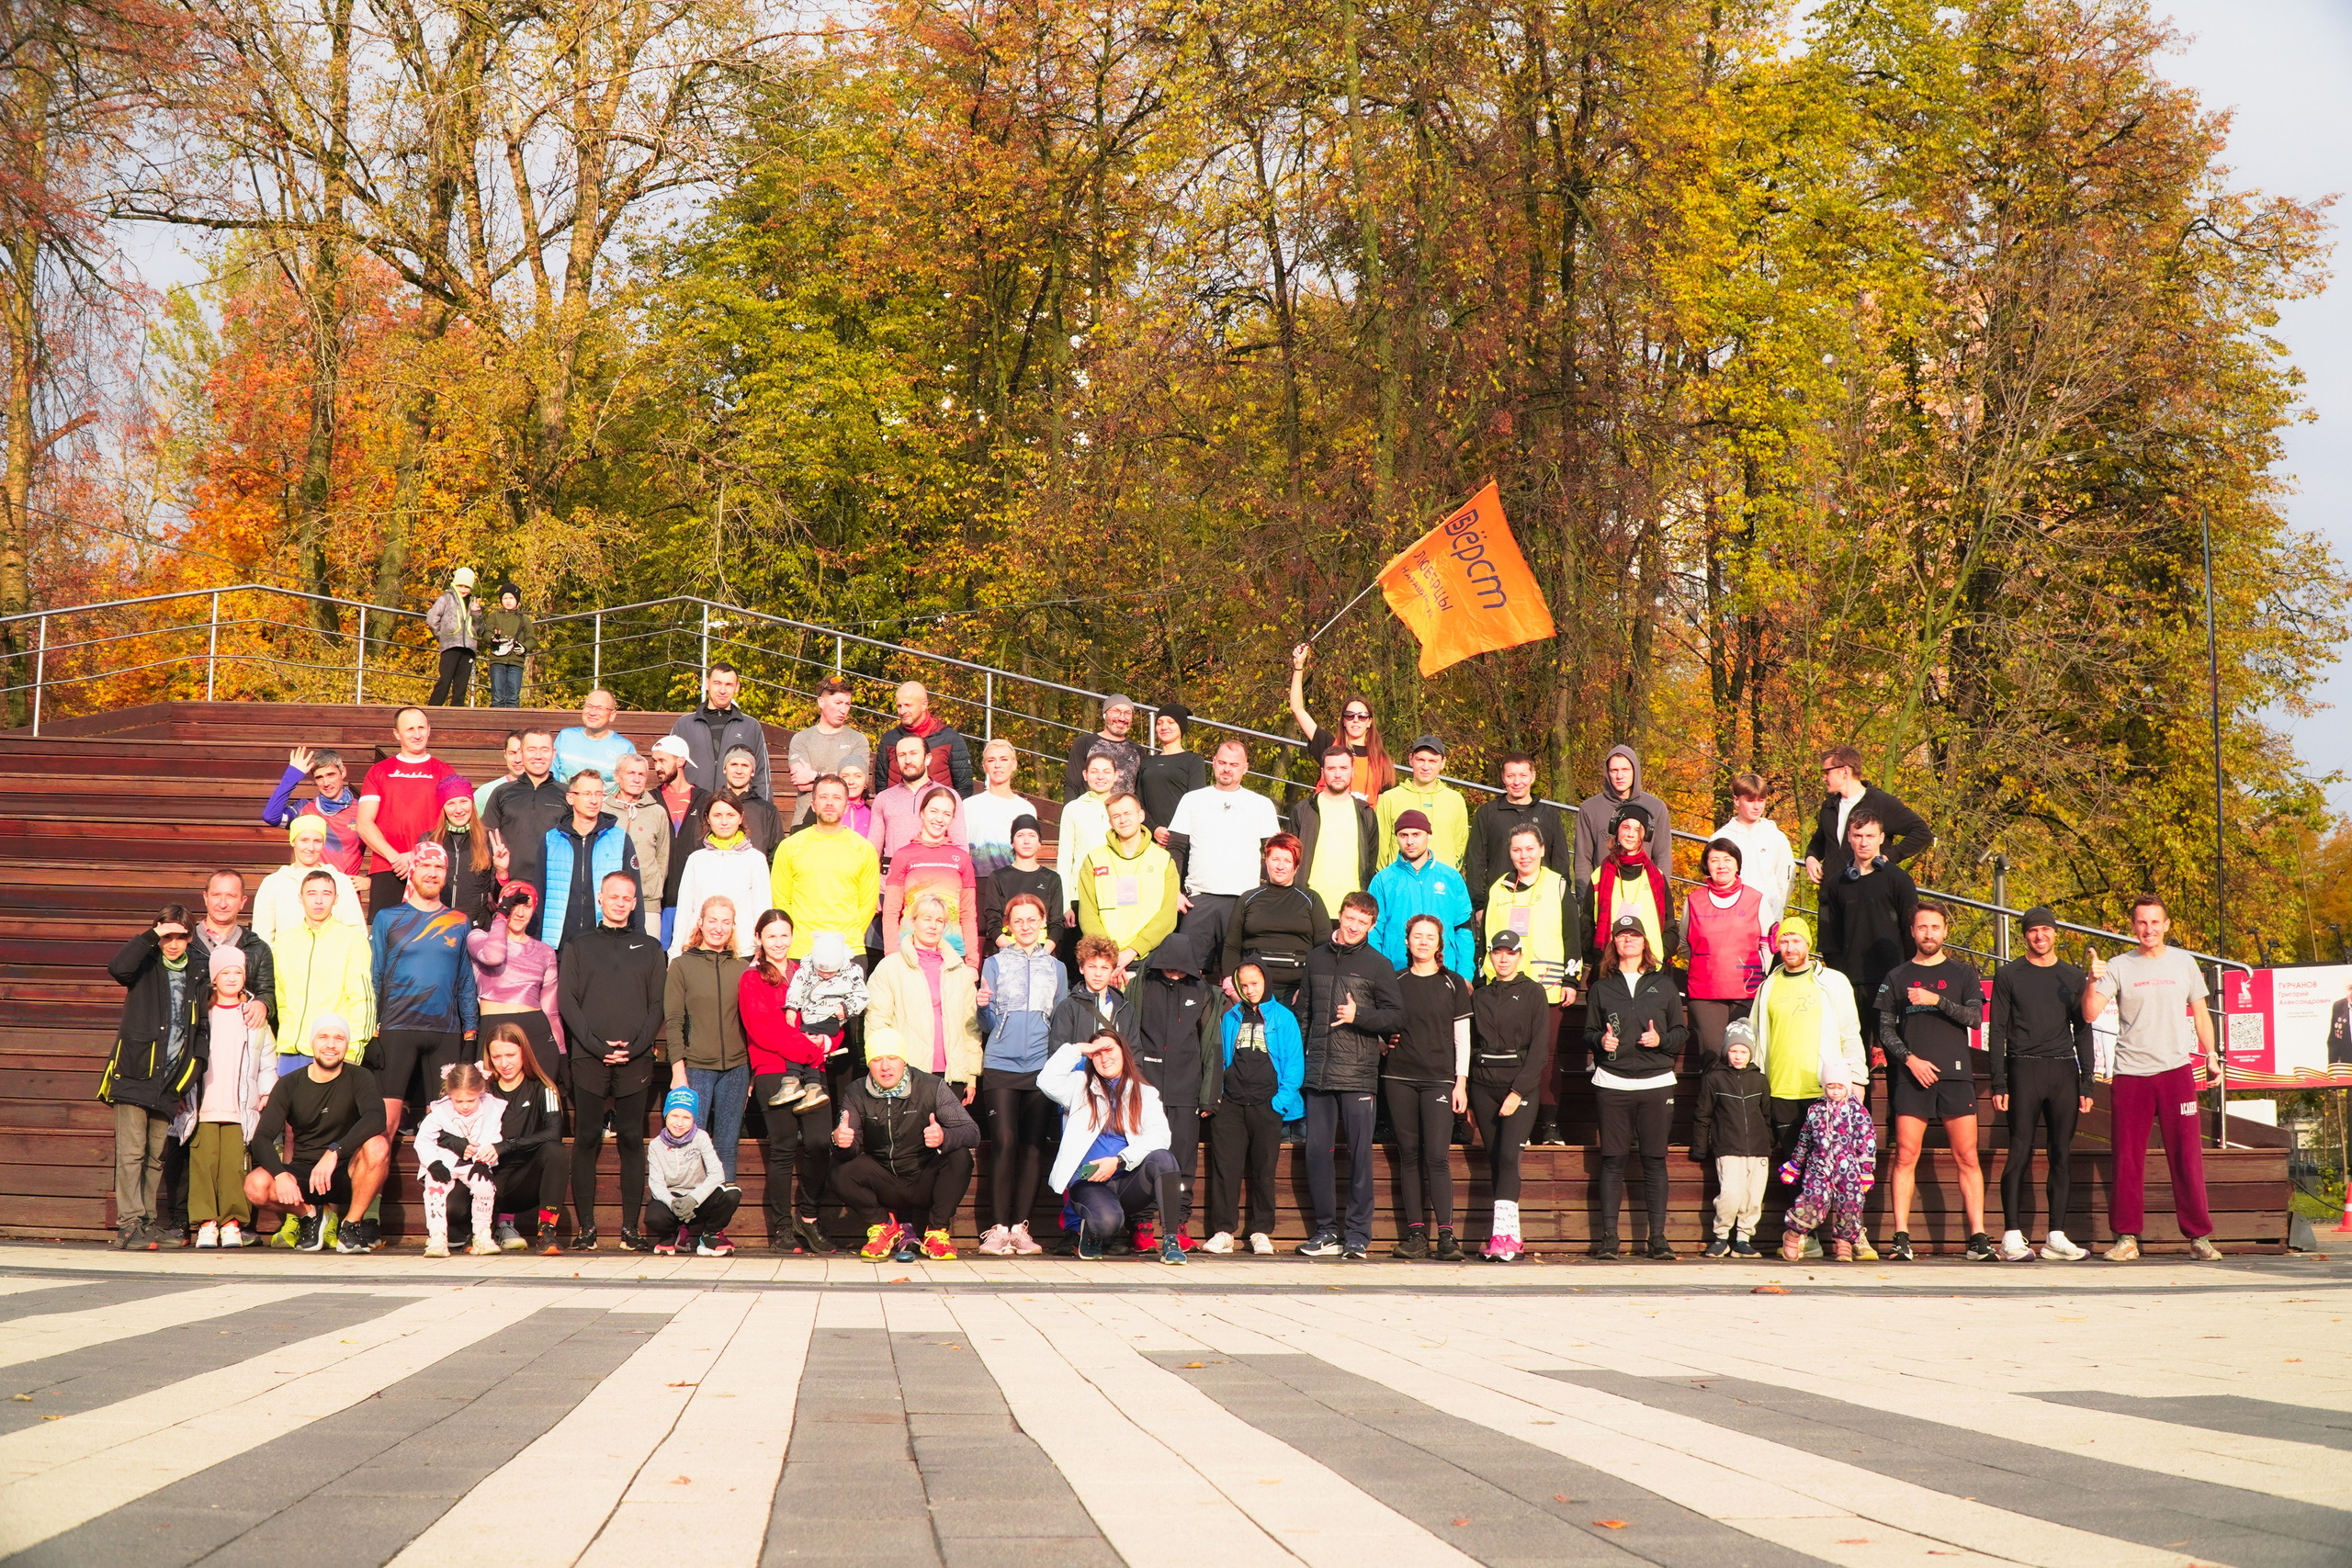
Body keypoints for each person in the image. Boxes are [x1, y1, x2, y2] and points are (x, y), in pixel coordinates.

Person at [2083, 895, 2224, 1262]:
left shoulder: (2185, 963)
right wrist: (2090, 980)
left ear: (2166, 925)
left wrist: (2211, 1054)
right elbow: (2089, 1013)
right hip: (2131, 1074)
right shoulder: (2117, 966)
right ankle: (2127, 1238)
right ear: (2133, 927)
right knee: (2128, 1158)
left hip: (2177, 1072)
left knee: (2187, 1156)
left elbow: (2200, 1012)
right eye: (2142, 923)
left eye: (2155, 922)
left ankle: (2198, 1238)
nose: (2149, 929)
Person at [1748, 915, 1870, 1258]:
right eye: (1783, 942)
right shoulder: (1768, 985)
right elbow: (1757, 1036)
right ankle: (1808, 1237)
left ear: (1807, 945)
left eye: (1796, 941)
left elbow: (1850, 1031)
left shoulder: (1832, 981)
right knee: (1794, 1166)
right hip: (1781, 1088)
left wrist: (1856, 1077)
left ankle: (1850, 1235)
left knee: (1839, 1165)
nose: (1789, 948)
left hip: (1826, 1091)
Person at [558, 873, 666, 1250]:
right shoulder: (579, 944)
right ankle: (586, 1228)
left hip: (635, 1060)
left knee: (632, 1139)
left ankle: (629, 1229)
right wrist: (595, 1045)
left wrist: (636, 1046)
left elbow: (658, 1004)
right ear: (600, 899)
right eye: (614, 896)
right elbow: (567, 1002)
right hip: (589, 1057)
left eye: (628, 898)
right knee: (587, 1137)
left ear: (635, 903)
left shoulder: (651, 947)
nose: (620, 903)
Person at [1876, 902, 1990, 1261]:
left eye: (1935, 927)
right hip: (1912, 1077)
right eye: (1922, 927)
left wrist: (1936, 1000)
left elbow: (1974, 1018)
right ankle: (1901, 1238)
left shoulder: (1962, 973)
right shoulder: (1896, 976)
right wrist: (1910, 1060)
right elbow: (1884, 1029)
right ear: (1912, 932)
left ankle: (1978, 1238)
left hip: (1955, 1076)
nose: (1929, 934)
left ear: (1945, 931)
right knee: (1906, 1155)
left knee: (1967, 1156)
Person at [1295, 891, 1404, 1259]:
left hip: (1358, 1074)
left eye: (1362, 921)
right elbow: (1304, 1015)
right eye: (1350, 917)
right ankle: (1326, 1232)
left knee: (1360, 1156)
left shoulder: (1379, 964)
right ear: (1340, 916)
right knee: (1316, 1153)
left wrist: (1361, 1016)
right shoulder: (1315, 958)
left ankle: (1357, 1235)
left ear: (1372, 926)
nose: (1354, 925)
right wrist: (1302, 1064)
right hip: (1318, 1074)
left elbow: (1395, 1017)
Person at [368, 841, 480, 1190]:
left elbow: (465, 982)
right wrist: (372, 1031)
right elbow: (374, 975)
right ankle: (369, 1217)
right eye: (425, 866)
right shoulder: (388, 917)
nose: (432, 873)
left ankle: (448, 1217)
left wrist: (470, 1035)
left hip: (444, 1033)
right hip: (397, 1029)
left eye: (439, 868)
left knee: (446, 1126)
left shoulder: (460, 921)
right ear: (412, 871)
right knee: (384, 1125)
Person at [1989, 906, 2095, 1261]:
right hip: (2023, 1069)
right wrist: (1999, 1082)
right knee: (2019, 1151)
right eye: (2033, 931)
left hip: (2063, 1071)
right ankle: (2012, 1235)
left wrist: (2087, 1082)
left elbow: (2083, 1029)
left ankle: (2056, 1236)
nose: (2040, 936)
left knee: (2061, 1154)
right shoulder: (2009, 975)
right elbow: (1997, 1031)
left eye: (2046, 930)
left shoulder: (2072, 976)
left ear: (2055, 934)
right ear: (2025, 936)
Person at [101, 909, 208, 1249]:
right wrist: (150, 935)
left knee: (154, 1156)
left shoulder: (198, 970)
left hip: (169, 1081)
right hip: (135, 1072)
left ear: (191, 937)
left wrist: (190, 1072)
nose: (173, 944)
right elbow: (118, 968)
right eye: (166, 936)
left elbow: (200, 1027)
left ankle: (146, 1221)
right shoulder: (145, 962)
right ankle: (129, 1224)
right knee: (131, 1152)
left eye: (180, 936)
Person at [1585, 913, 1689, 1260]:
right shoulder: (1601, 987)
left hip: (1656, 1082)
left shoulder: (1664, 984)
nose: (1627, 941)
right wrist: (1601, 1041)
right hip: (1612, 1085)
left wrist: (1660, 1040)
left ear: (1645, 943)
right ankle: (1609, 1239)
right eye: (1621, 936)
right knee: (1613, 1161)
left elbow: (1680, 1032)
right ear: (1613, 943)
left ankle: (1657, 1239)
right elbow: (1587, 1032)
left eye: (1634, 936)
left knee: (1654, 1161)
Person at [243, 1014, 390, 1252]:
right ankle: (310, 1216)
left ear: (347, 1044)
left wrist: (335, 1151)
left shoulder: (360, 1077)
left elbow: (377, 1117)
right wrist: (280, 1175)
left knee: (378, 1145)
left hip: (347, 1171)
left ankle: (350, 1225)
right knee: (255, 1185)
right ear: (312, 1043)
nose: (331, 1045)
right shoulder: (290, 1084)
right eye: (323, 1037)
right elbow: (261, 1138)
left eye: (339, 1038)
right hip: (305, 1172)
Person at [1041, 1029, 1186, 1264]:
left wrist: (1120, 1160)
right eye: (1096, 1054)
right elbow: (1045, 1081)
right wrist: (1077, 1049)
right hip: (1089, 1183)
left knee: (1163, 1158)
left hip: (1127, 1180)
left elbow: (1160, 1135)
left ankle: (1171, 1240)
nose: (1104, 1057)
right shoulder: (1079, 1085)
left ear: (1123, 1052)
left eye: (1109, 1050)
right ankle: (1091, 1232)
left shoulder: (1145, 1093)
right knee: (1108, 1223)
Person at [741, 911, 840, 1254]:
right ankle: (783, 1227)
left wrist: (828, 1042)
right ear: (759, 939)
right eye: (772, 936)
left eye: (785, 935)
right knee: (783, 1148)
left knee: (818, 1143)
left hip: (813, 1067)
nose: (779, 943)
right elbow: (762, 1028)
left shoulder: (809, 972)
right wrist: (808, 1047)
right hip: (772, 1067)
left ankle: (808, 1219)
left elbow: (833, 1012)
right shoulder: (752, 978)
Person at [976, 893, 1068, 1256]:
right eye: (1019, 921)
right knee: (1004, 1142)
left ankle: (1020, 1229)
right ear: (1008, 926)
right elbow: (986, 1021)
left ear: (1042, 923)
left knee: (1032, 1148)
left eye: (1032, 920)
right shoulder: (994, 963)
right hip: (1000, 1063)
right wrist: (981, 1008)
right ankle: (997, 1230)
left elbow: (1060, 1021)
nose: (1026, 927)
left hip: (1041, 1068)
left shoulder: (1056, 967)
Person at [829, 1042, 981, 1260]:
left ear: (904, 1061)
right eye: (877, 1060)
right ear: (869, 1065)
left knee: (960, 1156)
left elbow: (972, 1132)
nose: (885, 1067)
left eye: (892, 1058)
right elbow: (849, 1149)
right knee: (838, 1169)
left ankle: (937, 1233)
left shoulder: (931, 1086)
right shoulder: (856, 1091)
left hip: (924, 1178)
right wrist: (839, 1141)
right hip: (884, 1181)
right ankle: (885, 1226)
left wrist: (943, 1137)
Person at [1481, 822, 1580, 1146]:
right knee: (1510, 1054)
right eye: (1516, 849)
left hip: (1547, 986)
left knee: (1547, 1057)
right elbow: (1487, 940)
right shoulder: (1497, 888)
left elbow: (1571, 935)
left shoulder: (1558, 885)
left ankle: (1549, 1126)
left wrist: (1571, 978)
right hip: (1504, 987)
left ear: (1541, 850)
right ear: (1509, 853)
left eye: (1529, 848)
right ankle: (1515, 1125)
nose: (1523, 855)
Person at [1198, 959, 1303, 1255]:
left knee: (1264, 1170)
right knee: (1225, 1170)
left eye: (1255, 983)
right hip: (1231, 1104)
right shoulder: (1230, 1016)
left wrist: (1279, 1103)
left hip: (1267, 1104)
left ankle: (1260, 1231)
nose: (1249, 990)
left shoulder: (1284, 1017)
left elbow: (1295, 1065)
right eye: (1243, 985)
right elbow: (1218, 1060)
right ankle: (1223, 1231)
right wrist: (1215, 1097)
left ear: (1266, 982)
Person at [1818, 811, 1918, 1117]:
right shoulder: (1836, 884)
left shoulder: (1898, 879)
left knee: (1895, 1051)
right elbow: (1829, 936)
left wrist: (1908, 975)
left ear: (1882, 839)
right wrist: (1837, 979)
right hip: (1848, 984)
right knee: (1852, 1053)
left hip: (1891, 982)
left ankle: (1897, 1122)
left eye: (1870, 836)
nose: (1863, 842)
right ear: (1849, 837)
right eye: (1858, 835)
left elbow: (1909, 930)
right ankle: (1854, 1120)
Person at [1385, 914, 1472, 1261]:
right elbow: (1383, 1025)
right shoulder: (1396, 981)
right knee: (1408, 1156)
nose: (1423, 941)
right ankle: (1416, 1233)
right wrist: (1381, 1041)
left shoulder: (1453, 984)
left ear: (1440, 943)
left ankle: (1446, 1237)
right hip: (1399, 1078)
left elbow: (1462, 1038)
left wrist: (1460, 1082)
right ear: (1407, 941)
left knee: (1437, 1157)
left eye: (1430, 936)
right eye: (1417, 935)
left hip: (1439, 1078)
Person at [179, 942, 276, 1249]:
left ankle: (233, 1222)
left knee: (235, 1165)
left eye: (238, 972)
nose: (232, 978)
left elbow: (267, 1057)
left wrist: (266, 1089)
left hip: (239, 1106)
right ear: (214, 978)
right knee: (204, 1161)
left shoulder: (254, 1017)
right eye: (225, 972)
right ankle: (206, 1222)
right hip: (205, 1104)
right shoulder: (201, 1013)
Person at [664, 897, 753, 1224]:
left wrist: (752, 1073)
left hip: (737, 1069)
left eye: (725, 922)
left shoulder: (743, 968)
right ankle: (687, 1221)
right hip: (697, 1068)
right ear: (700, 922)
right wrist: (678, 1070)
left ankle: (715, 1227)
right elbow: (673, 1021)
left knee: (727, 1145)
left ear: (732, 927)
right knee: (691, 1145)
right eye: (712, 920)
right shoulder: (683, 965)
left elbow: (751, 1023)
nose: (718, 927)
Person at [1467, 932, 1550, 1262]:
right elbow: (1472, 1046)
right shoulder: (1480, 995)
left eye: (1510, 953)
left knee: (1507, 1157)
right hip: (1483, 1085)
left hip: (1520, 1086)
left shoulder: (1533, 993)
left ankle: (1500, 1235)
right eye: (1498, 953)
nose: (1503, 959)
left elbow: (1540, 1049)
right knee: (1495, 1161)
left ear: (1519, 956)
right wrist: (1472, 1099)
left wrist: (1518, 1092)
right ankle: (1511, 1237)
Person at [1129, 932, 1216, 1244]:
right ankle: (1141, 1226)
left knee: (1183, 1162)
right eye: (1169, 968)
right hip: (1146, 1087)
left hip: (1185, 1088)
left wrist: (1208, 1093)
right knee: (1143, 1156)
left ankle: (1178, 1225)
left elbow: (1210, 1044)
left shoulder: (1202, 991)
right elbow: (1130, 1036)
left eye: (1181, 969)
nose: (1175, 974)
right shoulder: (1141, 985)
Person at [1164, 738, 1281, 956]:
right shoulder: (1192, 800)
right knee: (1191, 971)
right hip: (1198, 899)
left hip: (1245, 901)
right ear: (1214, 762)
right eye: (1223, 763)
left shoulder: (1261, 804)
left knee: (1237, 972)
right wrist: (1174, 891)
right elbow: (1176, 849)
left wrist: (1270, 896)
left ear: (1245, 768)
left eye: (1234, 765)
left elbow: (1274, 855)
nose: (1227, 769)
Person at [866, 892, 985, 1102]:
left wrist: (972, 1075)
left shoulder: (960, 970)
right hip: (907, 1075)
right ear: (912, 922)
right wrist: (883, 1069)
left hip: (953, 1076)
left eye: (939, 921)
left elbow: (970, 1027)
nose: (933, 926)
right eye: (927, 919)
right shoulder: (890, 967)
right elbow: (877, 1023)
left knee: (948, 1135)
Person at [274, 870, 377, 1075]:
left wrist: (353, 1050)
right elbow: (281, 998)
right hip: (289, 1052)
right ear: (300, 898)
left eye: (326, 893)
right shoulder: (285, 942)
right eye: (311, 893)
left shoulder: (352, 940)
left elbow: (362, 1000)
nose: (318, 901)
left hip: (332, 1052)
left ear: (336, 899)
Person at [1776, 1051, 1877, 1261]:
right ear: (1824, 1086)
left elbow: (1867, 1142)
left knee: (1850, 1204)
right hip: (1819, 1167)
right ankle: (1793, 1235)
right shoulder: (1816, 1110)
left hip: (1848, 1168)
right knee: (1812, 1202)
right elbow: (1805, 1139)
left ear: (1847, 1086)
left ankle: (1844, 1244)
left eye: (1840, 1086)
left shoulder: (1857, 1112)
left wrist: (1866, 1171)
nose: (1835, 1091)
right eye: (1830, 1086)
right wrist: (1795, 1164)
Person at [355, 707, 456, 914]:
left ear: (429, 730)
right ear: (396, 734)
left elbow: (454, 822)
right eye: (410, 729)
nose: (417, 734)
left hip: (430, 867)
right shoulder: (379, 771)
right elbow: (364, 823)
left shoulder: (445, 772)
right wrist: (395, 857)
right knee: (386, 937)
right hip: (389, 867)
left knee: (429, 936)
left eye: (421, 728)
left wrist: (416, 855)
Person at [770, 773, 883, 959]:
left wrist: (847, 937)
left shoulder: (864, 849)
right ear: (813, 805)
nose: (829, 803)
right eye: (823, 797)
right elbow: (781, 900)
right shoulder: (790, 846)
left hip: (848, 950)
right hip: (802, 950)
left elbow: (867, 904)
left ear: (846, 806)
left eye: (837, 798)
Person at [1072, 792, 1182, 974]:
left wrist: (1133, 950)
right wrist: (1110, 955)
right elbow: (1088, 914)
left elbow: (1167, 915)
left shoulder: (1163, 859)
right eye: (1116, 816)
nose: (1122, 820)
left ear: (1141, 816)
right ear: (1110, 823)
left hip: (1150, 957)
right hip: (1106, 961)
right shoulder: (1094, 859)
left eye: (1127, 813)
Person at [1218, 833, 1328, 1013]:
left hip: (1295, 991)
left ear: (1297, 865)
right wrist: (1235, 990)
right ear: (1266, 861)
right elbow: (1232, 945)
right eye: (1275, 859)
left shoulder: (1311, 899)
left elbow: (1323, 948)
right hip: (1251, 991)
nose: (1280, 866)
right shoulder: (1248, 898)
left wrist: (1307, 989)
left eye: (1287, 860)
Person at [1691, 1020, 1772, 1258]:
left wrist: (1768, 1141)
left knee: (1753, 1197)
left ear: (1750, 1053)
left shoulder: (1759, 1080)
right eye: (1734, 1051)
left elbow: (1766, 1113)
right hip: (1728, 1146)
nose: (1738, 1056)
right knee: (1730, 1195)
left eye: (1743, 1051)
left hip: (1758, 1149)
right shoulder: (1714, 1078)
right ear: (1726, 1051)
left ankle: (1743, 1239)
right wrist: (1699, 1146)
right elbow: (1702, 1114)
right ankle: (1721, 1237)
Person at [1682, 837, 1768, 1061]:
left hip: (1748, 993)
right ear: (1706, 866)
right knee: (1713, 1056)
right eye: (1715, 860)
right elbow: (1684, 944)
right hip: (1705, 994)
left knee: (1746, 1058)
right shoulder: (1693, 901)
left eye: (1727, 859)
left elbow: (1768, 945)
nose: (1721, 865)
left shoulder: (1756, 899)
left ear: (1737, 864)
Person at [469, 883, 565, 1081]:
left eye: (527, 906)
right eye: (514, 904)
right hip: (495, 1030)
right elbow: (494, 957)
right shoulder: (478, 937)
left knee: (539, 1105)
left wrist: (562, 1053)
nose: (520, 913)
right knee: (493, 1104)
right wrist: (501, 916)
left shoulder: (544, 951)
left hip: (536, 1032)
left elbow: (551, 1010)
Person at [481, 1021, 563, 1250]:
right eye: (497, 1056)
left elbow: (554, 1132)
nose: (504, 1063)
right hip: (484, 1179)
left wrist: (508, 1145)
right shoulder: (483, 1090)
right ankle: (476, 1230)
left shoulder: (544, 1088)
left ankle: (546, 1233)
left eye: (510, 1055)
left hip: (522, 1183)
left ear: (524, 1052)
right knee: (454, 1209)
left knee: (555, 1151)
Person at [540, 769, 643, 951]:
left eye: (598, 794)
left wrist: (637, 940)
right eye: (587, 794)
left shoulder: (620, 839)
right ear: (570, 798)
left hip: (606, 944)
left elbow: (634, 894)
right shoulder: (551, 839)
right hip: (559, 944)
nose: (594, 800)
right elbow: (540, 893)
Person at [1367, 809, 1476, 978]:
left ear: (1428, 836)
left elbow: (1463, 930)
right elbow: (1373, 931)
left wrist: (1465, 975)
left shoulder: (1451, 877)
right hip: (1396, 972)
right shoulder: (1383, 880)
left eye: (1416, 834)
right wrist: (1378, 974)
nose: (1410, 841)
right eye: (1403, 835)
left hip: (1445, 972)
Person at [1463, 753, 1572, 921]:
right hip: (1499, 902)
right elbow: (1475, 861)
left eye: (1523, 775)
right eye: (1511, 776)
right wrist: (1479, 905)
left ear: (1533, 776)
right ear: (1503, 777)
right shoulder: (1487, 813)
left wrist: (1561, 899)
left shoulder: (1548, 814)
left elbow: (1560, 860)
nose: (1517, 782)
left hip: (1542, 902)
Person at [1804, 745, 1933, 886]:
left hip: (1866, 895)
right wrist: (1811, 857)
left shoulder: (1881, 802)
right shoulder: (1828, 807)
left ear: (1844, 771)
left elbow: (1922, 832)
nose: (1823, 778)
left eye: (1826, 772)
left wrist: (1888, 857)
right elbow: (1820, 841)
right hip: (1830, 896)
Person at [413, 1061, 504, 1258]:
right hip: (443, 1161)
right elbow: (423, 1140)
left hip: (474, 1162)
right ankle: (437, 1237)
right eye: (458, 1101)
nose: (464, 1106)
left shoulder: (490, 1111)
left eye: (470, 1100)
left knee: (485, 1187)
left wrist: (484, 1162)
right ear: (450, 1095)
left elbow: (493, 1137)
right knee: (435, 1191)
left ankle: (482, 1235)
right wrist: (433, 1163)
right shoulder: (440, 1112)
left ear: (480, 1092)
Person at [881, 784, 981, 957]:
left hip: (952, 955)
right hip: (910, 954)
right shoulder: (903, 855)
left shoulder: (962, 858)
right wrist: (891, 955)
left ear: (952, 819)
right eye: (934, 811)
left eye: (946, 814)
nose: (939, 819)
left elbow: (968, 915)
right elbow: (891, 912)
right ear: (922, 813)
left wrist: (972, 962)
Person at [1287, 645, 1394, 803]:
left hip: (1362, 824)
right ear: (1343, 721)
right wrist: (1298, 666)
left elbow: (1385, 806)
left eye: (1362, 716)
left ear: (1370, 722)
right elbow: (1297, 708)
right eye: (1350, 716)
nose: (1356, 720)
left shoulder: (1382, 761)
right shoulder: (1329, 746)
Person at [668, 794, 768, 958]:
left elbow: (762, 908)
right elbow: (685, 909)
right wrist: (675, 953)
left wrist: (761, 950)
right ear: (707, 818)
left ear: (741, 817)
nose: (724, 822)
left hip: (742, 951)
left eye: (730, 815)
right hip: (700, 950)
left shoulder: (755, 859)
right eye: (717, 815)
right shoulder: (696, 859)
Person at [647, 1087, 743, 1257]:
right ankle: (671, 1234)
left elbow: (717, 1174)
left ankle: (710, 1236)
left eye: (686, 1117)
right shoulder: (655, 1145)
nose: (679, 1123)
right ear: (665, 1115)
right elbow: (656, 1183)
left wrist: (693, 1199)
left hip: (699, 1199)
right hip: (674, 1200)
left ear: (693, 1119)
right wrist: (672, 1203)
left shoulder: (701, 1137)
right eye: (674, 1116)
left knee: (732, 1193)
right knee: (654, 1216)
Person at [484, 728, 566, 926]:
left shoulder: (567, 794)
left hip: (554, 892)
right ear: (521, 753)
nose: (538, 756)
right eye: (532, 749)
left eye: (544, 750)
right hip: (509, 888)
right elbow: (485, 843)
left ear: (554, 753)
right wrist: (488, 889)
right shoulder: (502, 793)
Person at [1293, 745, 1379, 922]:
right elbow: (1291, 858)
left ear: (1353, 771)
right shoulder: (1304, 810)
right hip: (1309, 907)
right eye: (1331, 768)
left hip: (1353, 911)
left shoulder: (1366, 813)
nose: (1338, 774)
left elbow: (1371, 862)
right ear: (1323, 772)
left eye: (1343, 768)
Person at [254, 818, 364, 950]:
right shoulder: (273, 883)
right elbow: (263, 935)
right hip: (286, 966)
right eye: (304, 840)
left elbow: (356, 931)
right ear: (293, 841)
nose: (311, 848)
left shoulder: (340, 881)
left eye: (317, 841)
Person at [1574, 745, 1673, 891]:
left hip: (1644, 893)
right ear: (1607, 773)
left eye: (1625, 770)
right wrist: (1585, 901)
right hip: (1603, 893)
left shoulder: (1656, 808)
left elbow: (1663, 856)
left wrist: (1660, 895)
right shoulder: (1590, 808)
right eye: (1614, 770)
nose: (1619, 776)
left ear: (1635, 771)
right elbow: (1583, 859)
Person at [1589, 803, 1674, 968]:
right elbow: (1587, 925)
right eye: (1626, 827)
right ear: (1616, 829)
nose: (1630, 834)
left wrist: (1659, 954)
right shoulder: (1599, 876)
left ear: (1645, 835)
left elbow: (1670, 926)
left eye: (1637, 829)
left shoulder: (1657, 877)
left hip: (1651, 968)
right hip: (1611, 968)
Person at [869, 732, 971, 869]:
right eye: (902, 755)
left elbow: (960, 848)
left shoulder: (949, 796)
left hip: (934, 880)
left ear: (927, 758)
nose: (908, 760)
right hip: (890, 882)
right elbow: (873, 851)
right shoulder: (883, 798)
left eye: (913, 753)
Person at [1709, 773, 1795, 933]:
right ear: (1736, 800)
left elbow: (1785, 880)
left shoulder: (1776, 837)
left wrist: (1775, 913)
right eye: (1750, 800)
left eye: (1761, 800)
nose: (1757, 807)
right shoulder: (1721, 838)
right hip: (1730, 922)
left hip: (1768, 923)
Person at [669, 662, 772, 797]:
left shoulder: (750, 726)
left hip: (736, 810)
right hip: (691, 807)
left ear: (737, 687)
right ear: (707, 684)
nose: (722, 690)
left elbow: (761, 774)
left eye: (729, 685)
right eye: (717, 683)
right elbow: (669, 767)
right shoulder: (684, 724)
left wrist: (762, 811)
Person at [261, 745, 366, 874]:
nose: (326, 783)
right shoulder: (303, 809)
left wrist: (370, 881)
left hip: (345, 892)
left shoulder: (363, 809)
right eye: (319, 777)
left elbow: (387, 846)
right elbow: (271, 816)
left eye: (331, 775)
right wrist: (293, 775)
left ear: (343, 772)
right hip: (309, 891)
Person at [1376, 736, 1470, 870]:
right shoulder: (1390, 798)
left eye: (1433, 761)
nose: (1426, 767)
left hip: (1441, 883)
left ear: (1443, 762)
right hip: (1400, 882)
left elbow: (1460, 844)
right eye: (1420, 760)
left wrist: (1449, 874)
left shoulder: (1455, 800)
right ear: (1410, 759)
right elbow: (1381, 846)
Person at [786, 677, 871, 826]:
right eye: (838, 703)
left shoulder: (858, 740)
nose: (843, 709)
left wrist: (815, 775)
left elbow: (855, 783)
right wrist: (841, 778)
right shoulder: (801, 739)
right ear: (821, 702)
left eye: (847, 704)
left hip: (845, 823)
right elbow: (801, 783)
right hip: (805, 821)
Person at [979, 813, 1066, 952]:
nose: (1026, 841)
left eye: (1032, 835)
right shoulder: (998, 878)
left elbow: (1056, 924)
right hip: (1008, 953)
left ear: (1039, 842)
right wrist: (1013, 952)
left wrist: (1042, 955)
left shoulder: (1052, 878)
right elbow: (993, 922)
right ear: (1012, 842)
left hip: (1043, 953)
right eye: (1020, 835)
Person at [609, 752, 672, 940]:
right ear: (616, 776)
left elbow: (662, 857)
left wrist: (653, 889)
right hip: (608, 901)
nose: (636, 779)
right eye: (630, 773)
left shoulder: (657, 812)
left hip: (647, 903)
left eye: (642, 774)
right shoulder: (603, 809)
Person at [876, 680, 975, 796]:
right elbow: (880, 786)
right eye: (899, 706)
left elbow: (964, 788)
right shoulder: (889, 739)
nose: (902, 711)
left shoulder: (950, 738)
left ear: (924, 704)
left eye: (908, 705)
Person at [1050, 934, 1139, 1052]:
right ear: (1081, 968)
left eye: (1104, 968)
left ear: (1113, 970)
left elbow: (1134, 1054)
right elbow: (1057, 1053)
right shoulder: (1067, 1008)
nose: (1098, 973)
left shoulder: (1125, 1008)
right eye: (1092, 967)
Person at [425, 776, 494, 927]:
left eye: (464, 801)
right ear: (443, 808)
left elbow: (496, 896)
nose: (458, 810)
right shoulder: (428, 840)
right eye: (450, 803)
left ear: (472, 803)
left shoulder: (490, 839)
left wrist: (502, 871)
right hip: (436, 924)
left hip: (476, 926)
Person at [963, 738, 1030, 878]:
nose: (997, 765)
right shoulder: (969, 806)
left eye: (1004, 759)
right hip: (979, 883)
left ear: (1014, 764)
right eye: (991, 760)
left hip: (1014, 883)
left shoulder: (1025, 809)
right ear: (984, 766)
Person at [1056, 752, 1117, 904]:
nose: (1100, 777)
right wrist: (1065, 903)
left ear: (1116, 775)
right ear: (1085, 774)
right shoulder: (1073, 809)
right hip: (1082, 894)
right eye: (1094, 771)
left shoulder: (1124, 807)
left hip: (1117, 893)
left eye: (1106, 772)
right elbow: (1065, 858)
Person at [1062, 694, 1147, 802]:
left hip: (1122, 815)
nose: (1122, 718)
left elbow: (1139, 792)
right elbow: (1071, 785)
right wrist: (1070, 814)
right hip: (1089, 811)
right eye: (1116, 711)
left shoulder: (1137, 751)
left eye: (1127, 713)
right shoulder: (1083, 743)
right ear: (1105, 714)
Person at [1136, 702, 1207, 830]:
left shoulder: (1193, 760)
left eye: (1171, 722)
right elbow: (1138, 800)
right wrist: (1154, 829)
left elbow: (1196, 802)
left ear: (1181, 727)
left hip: (1181, 837)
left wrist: (1176, 833)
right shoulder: (1146, 761)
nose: (1164, 727)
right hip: (1149, 836)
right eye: (1159, 723)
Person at [555, 688, 638, 790]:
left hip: (604, 804)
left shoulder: (624, 748)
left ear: (612, 715)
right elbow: (552, 775)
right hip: (563, 801)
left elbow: (629, 786)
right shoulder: (565, 737)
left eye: (600, 708)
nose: (593, 712)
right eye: (589, 706)